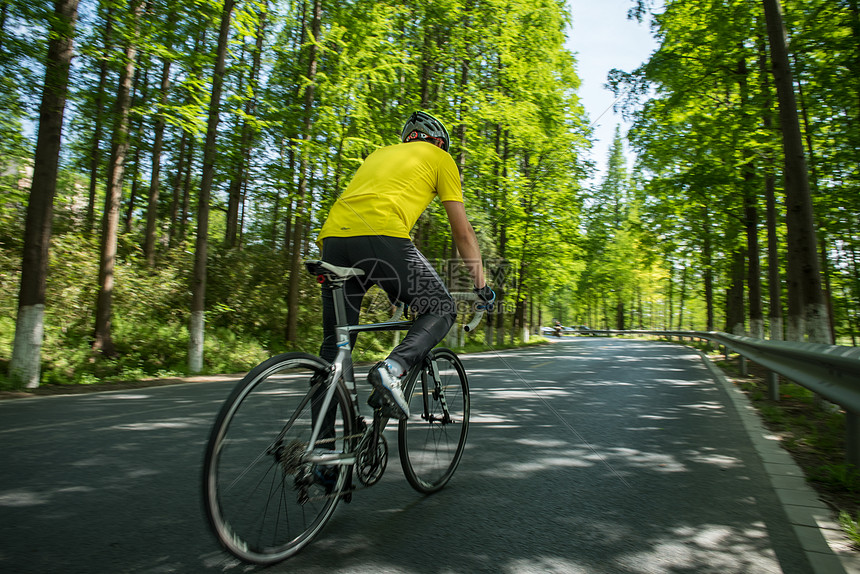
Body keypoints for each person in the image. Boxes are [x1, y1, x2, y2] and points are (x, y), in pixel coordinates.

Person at [316, 110, 494, 419]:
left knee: (335, 349)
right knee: (441, 307)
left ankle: (324, 456)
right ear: (438, 141)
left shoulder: (379, 154)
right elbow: (463, 233)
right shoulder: (441, 158)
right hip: (382, 235)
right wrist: (482, 287)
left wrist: (395, 288)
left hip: (332, 241)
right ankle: (393, 369)